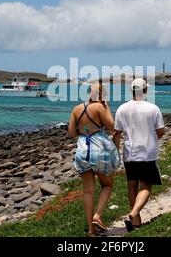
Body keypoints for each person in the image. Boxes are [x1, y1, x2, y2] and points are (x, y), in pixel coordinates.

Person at [68, 83, 121, 236]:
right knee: (107, 185)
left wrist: (85, 132)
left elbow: (71, 132)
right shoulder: (100, 107)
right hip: (99, 149)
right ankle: (97, 216)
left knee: (88, 191)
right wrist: (107, 107)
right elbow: (113, 126)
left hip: (83, 149)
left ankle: (91, 230)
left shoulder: (77, 109)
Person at [113, 78, 165, 232]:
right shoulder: (153, 108)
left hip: (130, 152)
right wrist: (152, 140)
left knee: (132, 184)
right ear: (146, 90)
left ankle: (136, 222)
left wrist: (116, 152)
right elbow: (160, 131)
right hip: (148, 152)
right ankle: (134, 213)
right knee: (146, 185)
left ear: (132, 90)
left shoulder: (122, 108)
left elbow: (116, 133)